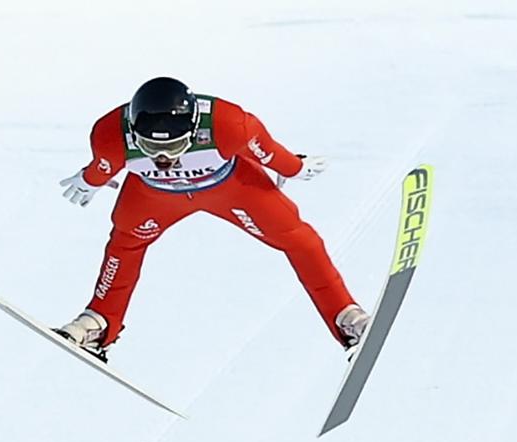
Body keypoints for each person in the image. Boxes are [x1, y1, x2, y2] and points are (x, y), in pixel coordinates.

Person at [54, 77, 368, 361]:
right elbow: (103, 166)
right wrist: (89, 180)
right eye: (151, 147)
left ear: (194, 130)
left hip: (231, 188)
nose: (165, 159)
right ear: (134, 134)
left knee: (300, 240)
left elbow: (268, 152)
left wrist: (295, 169)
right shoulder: (110, 134)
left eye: (175, 146)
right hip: (155, 196)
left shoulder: (229, 124)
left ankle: (346, 316)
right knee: (124, 244)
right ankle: (99, 321)